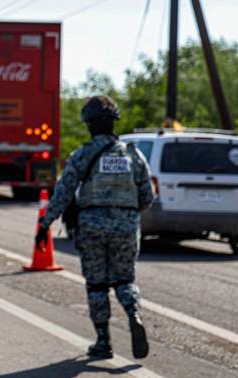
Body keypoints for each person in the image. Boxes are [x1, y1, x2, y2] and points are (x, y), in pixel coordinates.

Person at [36, 95, 155, 359]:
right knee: (125, 279)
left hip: (91, 228)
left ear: (89, 124)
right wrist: (126, 216)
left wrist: (45, 224)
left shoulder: (81, 155)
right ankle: (133, 313)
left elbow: (63, 193)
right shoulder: (134, 156)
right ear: (114, 123)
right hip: (126, 226)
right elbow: (148, 196)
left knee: (97, 285)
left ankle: (103, 341)